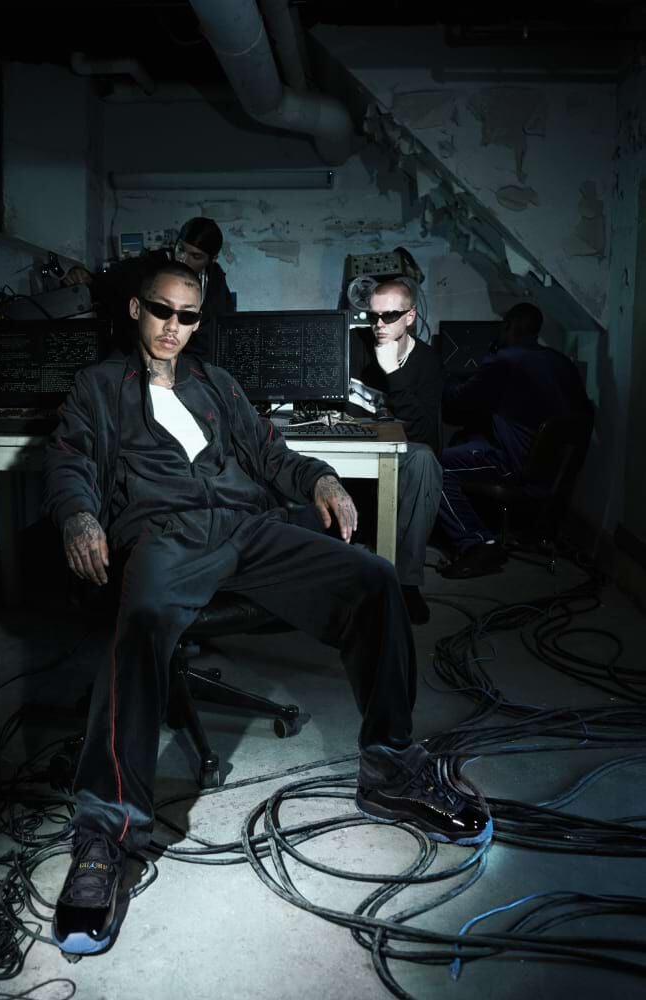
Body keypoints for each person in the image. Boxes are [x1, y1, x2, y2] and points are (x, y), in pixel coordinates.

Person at [42, 260, 491, 957]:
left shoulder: (217, 384)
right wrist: (77, 516)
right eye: (161, 311)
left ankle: (389, 766)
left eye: (188, 316)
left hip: (245, 528)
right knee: (139, 626)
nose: (173, 327)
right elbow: (69, 460)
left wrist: (322, 480)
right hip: (165, 534)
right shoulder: (99, 387)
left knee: (375, 581)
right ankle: (106, 833)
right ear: (136, 310)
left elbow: (272, 454)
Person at [437, 302, 592, 579]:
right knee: (468, 438)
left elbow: (458, 399)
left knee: (432, 466)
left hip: (513, 463)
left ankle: (478, 543)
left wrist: (444, 380)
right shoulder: (561, 362)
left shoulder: (503, 361)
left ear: (508, 326)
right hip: (551, 468)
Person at [349, 277, 443, 625]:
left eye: (389, 316)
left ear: (410, 317)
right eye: (372, 316)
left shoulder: (427, 362)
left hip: (398, 456)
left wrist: (392, 371)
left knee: (424, 459)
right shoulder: (353, 345)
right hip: (352, 450)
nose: (379, 324)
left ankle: (406, 583)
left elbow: (422, 433)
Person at [63, 216, 234, 360]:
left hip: (193, 365)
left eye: (195, 256)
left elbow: (221, 331)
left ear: (212, 259)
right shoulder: (148, 266)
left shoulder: (216, 285)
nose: (183, 259)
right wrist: (87, 278)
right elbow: (109, 282)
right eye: (181, 249)